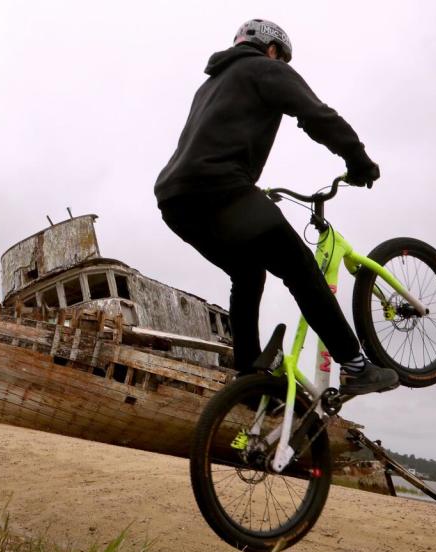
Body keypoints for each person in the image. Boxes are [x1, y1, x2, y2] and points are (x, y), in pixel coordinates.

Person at [155, 18, 398, 395]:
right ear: (272, 50)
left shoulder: (210, 86)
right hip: (221, 188)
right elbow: (317, 115)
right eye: (282, 59)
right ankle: (354, 365)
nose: (283, 66)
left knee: (248, 272)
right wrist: (358, 160)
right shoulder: (264, 69)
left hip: (175, 200)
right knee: (300, 267)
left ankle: (248, 379)